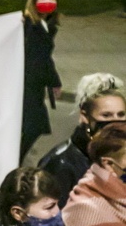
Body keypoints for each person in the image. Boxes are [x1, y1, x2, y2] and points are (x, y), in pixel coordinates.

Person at [38, 72, 125, 207]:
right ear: (85, 116)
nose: (115, 122)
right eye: (106, 115)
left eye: (121, 115)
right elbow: (51, 218)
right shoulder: (61, 164)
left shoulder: (120, 154)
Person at [21, 0, 62, 162]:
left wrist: (55, 81)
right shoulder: (29, 25)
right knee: (33, 126)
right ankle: (10, 164)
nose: (48, 1)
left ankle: (12, 163)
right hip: (25, 86)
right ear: (34, 0)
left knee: (30, 127)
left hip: (34, 88)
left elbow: (46, 57)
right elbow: (37, 59)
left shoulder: (47, 25)